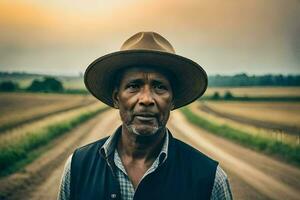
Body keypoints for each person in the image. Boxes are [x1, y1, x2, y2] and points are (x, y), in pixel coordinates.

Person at [58, 32, 232, 200]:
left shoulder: (210, 179)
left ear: (172, 100)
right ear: (116, 98)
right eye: (134, 86)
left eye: (159, 87)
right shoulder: (77, 166)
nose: (147, 99)